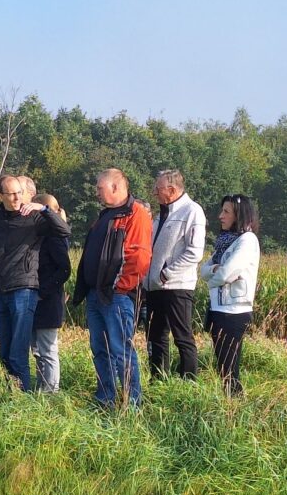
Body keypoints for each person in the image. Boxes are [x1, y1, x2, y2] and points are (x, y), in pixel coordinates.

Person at [72, 169, 152, 408]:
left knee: (120, 351)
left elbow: (139, 257)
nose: (96, 192)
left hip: (116, 296)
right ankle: (105, 397)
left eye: (100, 188)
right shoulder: (106, 214)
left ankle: (131, 402)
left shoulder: (135, 214)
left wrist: (119, 287)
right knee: (100, 349)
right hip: (96, 293)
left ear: (115, 187)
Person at [0, 175, 71, 391]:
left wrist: (43, 210)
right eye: (11, 193)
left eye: (19, 193)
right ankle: (11, 391)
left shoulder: (33, 216)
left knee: (18, 351)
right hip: (1, 289)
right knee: (4, 350)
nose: (16, 198)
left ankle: (23, 399)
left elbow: (64, 231)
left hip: (24, 288)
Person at [143, 169, 206, 380]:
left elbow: (194, 252)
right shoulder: (162, 213)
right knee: (155, 337)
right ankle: (158, 380)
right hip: (154, 287)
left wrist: (166, 274)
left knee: (182, 338)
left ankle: (189, 383)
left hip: (177, 286)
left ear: (172, 190)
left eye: (158, 188)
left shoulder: (192, 211)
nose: (154, 192)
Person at [200, 194, 261, 397]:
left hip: (234, 312)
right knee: (222, 367)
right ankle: (231, 405)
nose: (220, 216)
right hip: (218, 309)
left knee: (229, 368)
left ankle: (234, 406)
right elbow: (204, 270)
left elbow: (226, 274)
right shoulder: (224, 242)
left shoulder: (247, 240)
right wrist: (216, 271)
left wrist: (214, 273)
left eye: (226, 212)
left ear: (239, 215)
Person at [31, 193, 71, 393]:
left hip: (48, 301)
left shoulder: (55, 236)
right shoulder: (40, 235)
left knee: (47, 350)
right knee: (37, 351)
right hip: (38, 300)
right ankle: (41, 388)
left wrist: (42, 291)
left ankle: (51, 392)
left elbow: (64, 269)